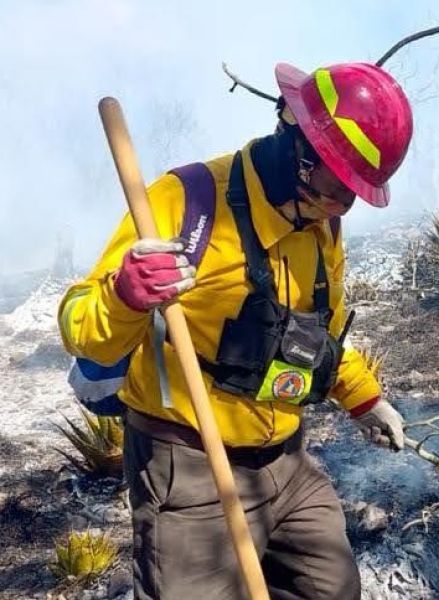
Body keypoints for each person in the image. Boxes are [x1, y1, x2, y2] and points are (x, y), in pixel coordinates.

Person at [57, 61, 413, 600]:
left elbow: (323, 330)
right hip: (192, 469)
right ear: (295, 141)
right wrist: (125, 294)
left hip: (288, 461)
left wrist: (364, 400)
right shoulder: (185, 201)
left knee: (330, 587)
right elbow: (79, 325)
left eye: (354, 192)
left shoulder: (321, 223)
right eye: (336, 184)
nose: (343, 204)